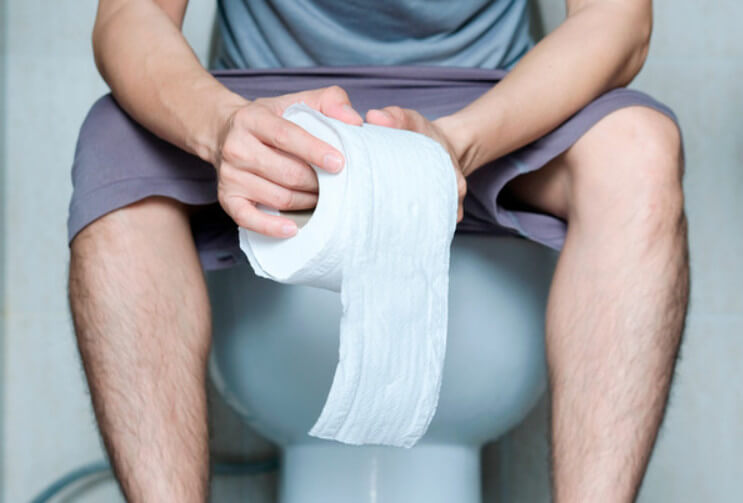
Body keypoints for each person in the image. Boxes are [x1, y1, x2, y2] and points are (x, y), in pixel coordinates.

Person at [67, 0, 689, 501]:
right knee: (114, 146)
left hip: (490, 102)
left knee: (638, 150)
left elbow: (618, 20)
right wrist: (222, 126)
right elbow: (131, 14)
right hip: (267, 103)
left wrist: (463, 142)